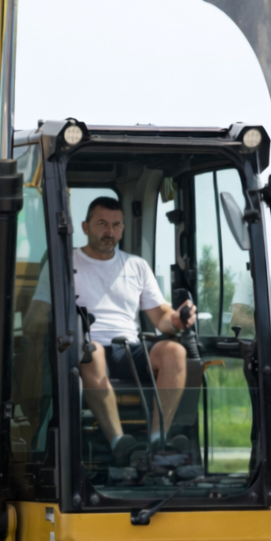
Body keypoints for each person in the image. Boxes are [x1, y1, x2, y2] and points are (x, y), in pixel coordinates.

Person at [71, 196, 195, 465]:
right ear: (85, 226)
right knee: (93, 353)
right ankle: (121, 444)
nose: (109, 232)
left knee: (174, 351)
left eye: (116, 225)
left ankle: (156, 442)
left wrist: (176, 320)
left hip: (129, 347)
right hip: (88, 348)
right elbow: (38, 313)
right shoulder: (65, 263)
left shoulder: (136, 266)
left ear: (123, 229)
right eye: (102, 223)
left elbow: (160, 315)